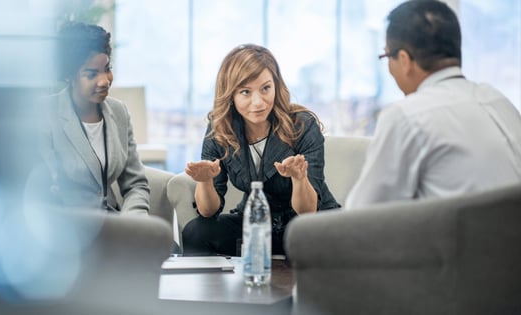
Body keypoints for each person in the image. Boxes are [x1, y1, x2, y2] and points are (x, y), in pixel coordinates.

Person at [346, 0, 521, 208]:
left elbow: (361, 216)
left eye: (386, 56)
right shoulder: (498, 100)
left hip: (461, 239)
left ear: (403, 60)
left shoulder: (406, 117)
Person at [183, 44, 340, 256]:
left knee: (316, 240)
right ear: (231, 95)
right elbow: (208, 211)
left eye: (265, 88)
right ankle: (215, 288)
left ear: (276, 85)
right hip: (255, 222)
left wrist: (299, 178)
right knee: (196, 232)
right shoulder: (220, 128)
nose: (258, 102)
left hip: (306, 226)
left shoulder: (302, 125)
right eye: (245, 92)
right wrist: (205, 181)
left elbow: (307, 211)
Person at [36, 21, 149, 213]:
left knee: (167, 243)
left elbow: (136, 185)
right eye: (91, 74)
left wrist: (134, 223)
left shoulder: (119, 112)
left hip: (113, 225)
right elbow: (43, 191)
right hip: (69, 229)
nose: (104, 81)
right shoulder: (45, 114)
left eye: (107, 68)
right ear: (69, 76)